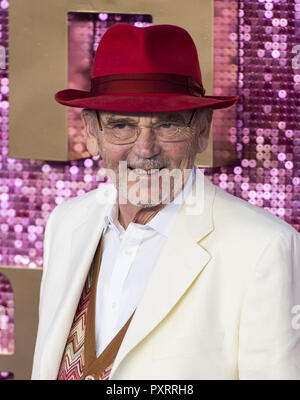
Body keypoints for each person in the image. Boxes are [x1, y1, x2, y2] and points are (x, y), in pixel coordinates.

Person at [31, 23, 300, 380]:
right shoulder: (66, 223)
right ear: (92, 132)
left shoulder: (263, 248)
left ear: (202, 129)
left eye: (168, 125)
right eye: (122, 126)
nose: (145, 150)